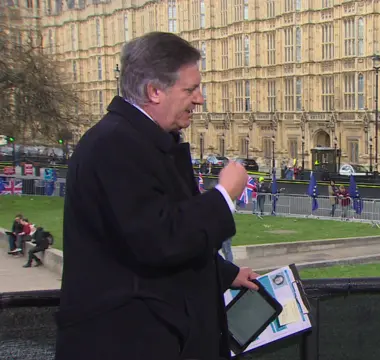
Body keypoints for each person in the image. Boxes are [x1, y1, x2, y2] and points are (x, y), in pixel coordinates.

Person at [55, 32, 260, 360]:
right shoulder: (115, 145)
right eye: (190, 89)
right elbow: (159, 238)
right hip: (126, 342)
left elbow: (149, 228)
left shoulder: (143, 141)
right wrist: (224, 195)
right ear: (154, 91)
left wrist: (224, 274)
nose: (200, 99)